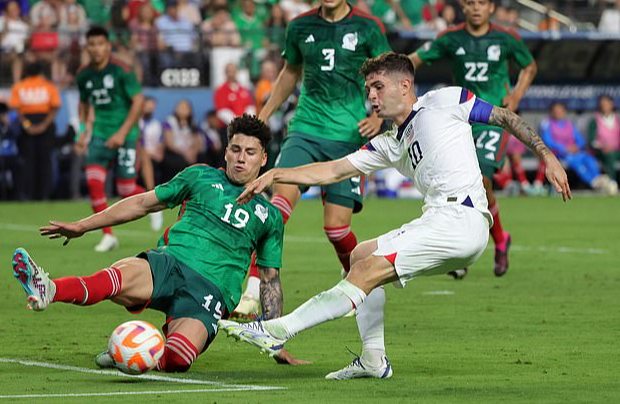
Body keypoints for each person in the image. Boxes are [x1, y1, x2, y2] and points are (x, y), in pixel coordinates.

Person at [219, 52, 571, 380]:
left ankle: (275, 330)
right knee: (360, 255)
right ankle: (373, 360)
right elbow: (331, 171)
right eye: (368, 88)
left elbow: (504, 117)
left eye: (378, 86)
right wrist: (278, 174)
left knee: (370, 269)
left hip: (463, 219)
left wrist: (548, 156)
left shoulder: (445, 101)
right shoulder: (389, 142)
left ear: (404, 85)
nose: (371, 96)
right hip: (436, 218)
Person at [13, 114, 304, 373]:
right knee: (113, 279)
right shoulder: (200, 176)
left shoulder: (270, 217)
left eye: (250, 152)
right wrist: (83, 226)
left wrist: (274, 340)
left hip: (211, 292)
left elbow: (270, 280)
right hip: (171, 263)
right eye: (236, 150)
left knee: (179, 360)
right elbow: (141, 203)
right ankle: (49, 289)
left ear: (264, 159)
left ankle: (131, 356)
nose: (241, 158)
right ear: (226, 151)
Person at [234, 0, 391, 318]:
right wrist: (263, 119)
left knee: (336, 229)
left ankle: (355, 286)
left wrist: (379, 117)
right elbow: (290, 72)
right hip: (305, 129)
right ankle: (251, 292)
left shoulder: (368, 27)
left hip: (348, 135)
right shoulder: (299, 26)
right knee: (276, 212)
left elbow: (385, 75)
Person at [409, 0, 538, 277]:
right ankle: (480, 244)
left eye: (482, 2)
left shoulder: (506, 38)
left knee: (481, 179)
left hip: (493, 118)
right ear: (462, 8)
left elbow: (529, 66)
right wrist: (393, 74)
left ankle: (496, 240)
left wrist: (516, 95)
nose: (476, 7)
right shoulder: (450, 38)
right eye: (470, 3)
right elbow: (414, 60)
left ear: (491, 7)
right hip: (461, 119)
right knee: (459, 182)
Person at [74, 26, 146, 252]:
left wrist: (123, 133)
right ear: (87, 47)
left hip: (125, 133)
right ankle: (108, 235)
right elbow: (84, 104)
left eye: (100, 44)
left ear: (108, 46)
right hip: (99, 134)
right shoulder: (83, 74)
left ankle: (157, 201)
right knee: (94, 183)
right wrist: (83, 130)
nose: (96, 49)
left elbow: (138, 102)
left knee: (125, 189)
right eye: (92, 44)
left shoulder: (122, 71)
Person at [9, 61, 61, 201]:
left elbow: (16, 109)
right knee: (45, 162)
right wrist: (44, 125)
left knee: (28, 162)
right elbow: (55, 107)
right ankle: (44, 195)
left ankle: (28, 194)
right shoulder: (48, 86)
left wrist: (27, 125)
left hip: (27, 126)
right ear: (40, 72)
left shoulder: (19, 87)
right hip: (45, 124)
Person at [541, 102, 616, 194]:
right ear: (552, 113)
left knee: (589, 159)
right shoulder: (547, 124)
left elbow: (580, 139)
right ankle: (593, 182)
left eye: (560, 111)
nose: (558, 113)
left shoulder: (569, 124)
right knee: (575, 161)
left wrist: (576, 146)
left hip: (574, 152)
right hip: (559, 154)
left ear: (564, 112)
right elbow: (548, 141)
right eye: (556, 111)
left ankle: (598, 179)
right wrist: (565, 148)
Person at [588, 95, 619, 191]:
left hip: (617, 151)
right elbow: (592, 141)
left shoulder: (617, 120)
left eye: (606, 104)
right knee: (609, 155)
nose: (604, 106)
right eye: (602, 104)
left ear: (611, 104)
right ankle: (612, 183)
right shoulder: (595, 121)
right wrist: (602, 147)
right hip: (602, 152)